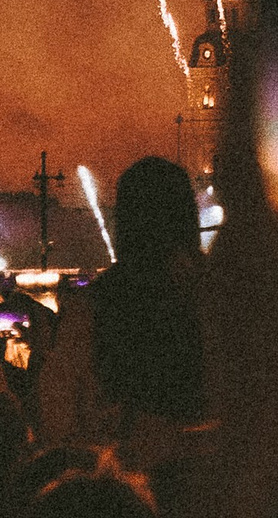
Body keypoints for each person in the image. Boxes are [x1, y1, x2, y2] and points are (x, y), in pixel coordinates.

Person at [34, 154, 208, 464]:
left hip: (117, 488)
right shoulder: (225, 299)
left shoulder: (90, 309)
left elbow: (56, 419)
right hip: (218, 492)